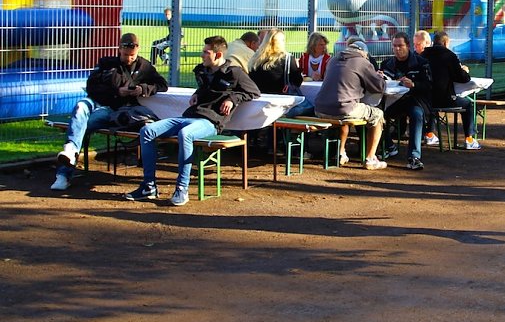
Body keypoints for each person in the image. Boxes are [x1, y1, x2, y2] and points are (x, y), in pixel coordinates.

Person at [125, 36, 260, 206]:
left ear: (218, 55)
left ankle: (182, 188)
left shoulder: (234, 72)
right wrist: (197, 93)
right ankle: (148, 186)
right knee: (147, 131)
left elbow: (254, 92)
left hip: (210, 122)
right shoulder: (203, 71)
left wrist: (233, 98)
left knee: (185, 134)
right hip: (189, 116)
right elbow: (207, 87)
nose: (201, 55)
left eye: (206, 52)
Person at [52, 33, 168, 191]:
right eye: (125, 54)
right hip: (95, 101)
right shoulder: (106, 64)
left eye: (132, 56)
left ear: (138, 50)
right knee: (80, 107)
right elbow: (91, 87)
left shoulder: (144, 67)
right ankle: (70, 151)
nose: (128, 58)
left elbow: (162, 84)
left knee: (81, 125)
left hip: (112, 110)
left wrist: (142, 89)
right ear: (119, 49)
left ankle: (64, 173)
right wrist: (117, 91)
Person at [314, 40, 388, 170]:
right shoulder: (362, 62)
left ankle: (341, 153)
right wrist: (379, 77)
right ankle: (371, 158)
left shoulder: (332, 60)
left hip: (320, 108)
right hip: (344, 108)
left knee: (343, 115)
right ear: (364, 53)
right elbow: (379, 87)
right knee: (378, 115)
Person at [380, 32, 433, 170]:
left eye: (400, 46)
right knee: (376, 113)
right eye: (394, 46)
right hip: (392, 101)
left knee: (416, 115)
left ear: (408, 46)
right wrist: (378, 77)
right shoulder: (386, 64)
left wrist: (414, 84)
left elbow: (429, 86)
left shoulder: (421, 63)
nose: (397, 49)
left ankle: (414, 157)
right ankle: (388, 146)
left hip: (414, 100)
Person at [421, 31, 480, 150]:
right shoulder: (449, 56)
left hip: (425, 100)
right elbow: (462, 78)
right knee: (468, 104)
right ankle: (469, 138)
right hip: (445, 99)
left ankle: (429, 134)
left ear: (433, 42)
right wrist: (465, 71)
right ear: (446, 42)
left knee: (432, 102)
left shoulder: (423, 55)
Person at [248, 28, 313, 118]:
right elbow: (297, 82)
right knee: (310, 108)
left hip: (258, 103)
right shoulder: (287, 58)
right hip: (280, 104)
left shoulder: (255, 59)